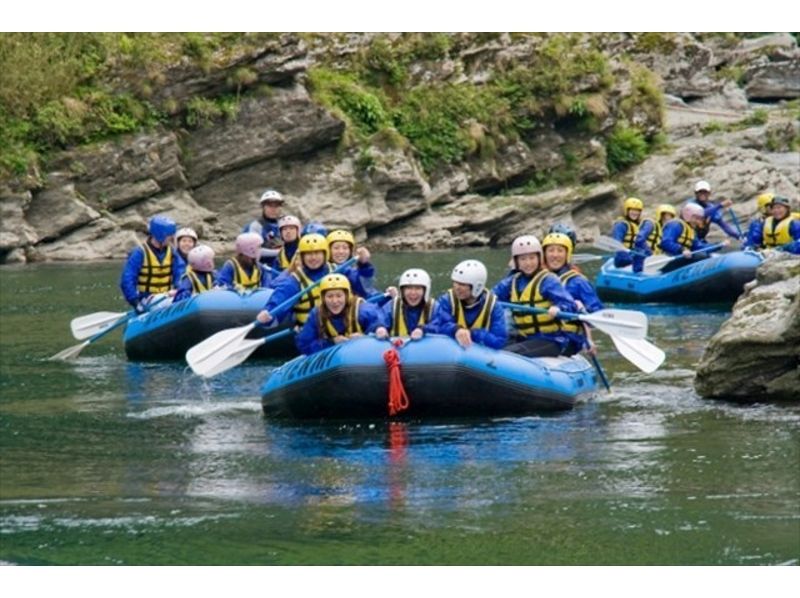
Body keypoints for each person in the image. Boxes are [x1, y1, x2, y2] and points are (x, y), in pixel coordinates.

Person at [492, 235, 578, 357]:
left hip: (550, 340)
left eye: (532, 258)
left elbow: (569, 304)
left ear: (539, 258)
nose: (528, 263)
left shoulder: (548, 281)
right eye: (523, 259)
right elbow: (490, 297)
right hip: (523, 337)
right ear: (516, 262)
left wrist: (559, 308)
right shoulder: (512, 281)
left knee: (507, 354)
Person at [542, 232, 603, 356]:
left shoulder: (578, 282)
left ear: (567, 254)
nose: (555, 255)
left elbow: (597, 314)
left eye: (560, 251)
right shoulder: (536, 278)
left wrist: (581, 309)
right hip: (540, 334)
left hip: (568, 338)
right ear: (544, 254)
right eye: (551, 251)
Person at [256, 233, 334, 328]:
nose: (313, 258)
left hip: (342, 333)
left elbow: (356, 281)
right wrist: (268, 313)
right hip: (311, 335)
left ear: (325, 254)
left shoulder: (339, 271)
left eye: (317, 253)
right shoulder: (294, 281)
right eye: (308, 254)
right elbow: (279, 298)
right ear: (302, 256)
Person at [294, 274, 385, 355]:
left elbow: (377, 322)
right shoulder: (316, 314)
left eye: (339, 296)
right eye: (330, 296)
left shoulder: (362, 310)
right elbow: (304, 345)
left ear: (347, 296)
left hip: (363, 354)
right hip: (332, 359)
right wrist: (331, 342)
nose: (334, 301)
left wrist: (366, 337)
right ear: (323, 298)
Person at [426, 260, 507, 350]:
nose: (457, 287)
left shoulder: (494, 307)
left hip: (481, 354)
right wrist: (455, 330)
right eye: (455, 282)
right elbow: (437, 324)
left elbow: (499, 340)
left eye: (462, 284)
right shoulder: (446, 300)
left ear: (477, 287)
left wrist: (472, 334)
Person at [120, 215, 185, 312]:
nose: (172, 238)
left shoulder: (172, 252)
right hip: (148, 299)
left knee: (183, 298)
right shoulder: (139, 253)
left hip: (167, 295)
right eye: (170, 235)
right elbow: (127, 279)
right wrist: (135, 301)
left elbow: (180, 273)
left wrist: (180, 289)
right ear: (160, 235)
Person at [659, 203, 728, 272]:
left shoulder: (691, 231)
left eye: (700, 218)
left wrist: (718, 245)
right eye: (696, 218)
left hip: (681, 259)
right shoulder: (675, 225)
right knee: (700, 256)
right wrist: (682, 250)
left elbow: (699, 247)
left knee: (704, 255)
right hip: (669, 259)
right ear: (688, 216)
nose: (698, 221)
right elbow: (665, 242)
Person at [375, 268, 437, 340]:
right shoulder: (392, 306)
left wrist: (423, 329)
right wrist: (379, 327)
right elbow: (379, 318)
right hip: (397, 349)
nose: (413, 293)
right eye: (408, 288)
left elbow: (440, 324)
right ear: (402, 290)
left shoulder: (434, 307)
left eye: (418, 288)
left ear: (425, 291)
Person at [326, 229, 380, 298]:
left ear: (350, 251)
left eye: (345, 248)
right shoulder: (323, 269)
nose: (341, 252)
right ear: (328, 251)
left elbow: (365, 286)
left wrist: (364, 264)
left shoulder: (349, 271)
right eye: (336, 248)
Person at [242, 188, 284, 263]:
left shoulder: (285, 224)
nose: (273, 209)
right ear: (263, 207)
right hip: (262, 266)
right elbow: (253, 250)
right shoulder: (256, 226)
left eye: (276, 206)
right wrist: (280, 252)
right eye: (270, 206)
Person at [611, 197, 647, 272]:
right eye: (632, 210)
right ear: (626, 210)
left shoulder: (636, 225)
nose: (635, 213)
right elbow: (617, 242)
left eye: (638, 211)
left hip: (633, 255)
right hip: (622, 258)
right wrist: (624, 255)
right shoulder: (621, 224)